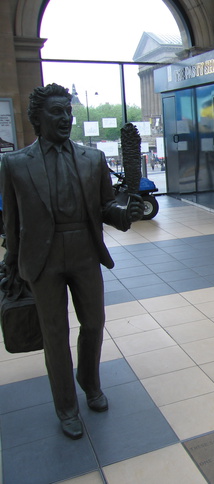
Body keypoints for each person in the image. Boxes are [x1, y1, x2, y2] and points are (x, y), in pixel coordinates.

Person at [0, 83, 143, 440]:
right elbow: (12, 222)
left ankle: (89, 381)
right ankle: (66, 406)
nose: (65, 118)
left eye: (68, 111)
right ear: (38, 118)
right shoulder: (15, 164)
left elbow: (105, 207)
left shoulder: (91, 158)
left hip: (84, 251)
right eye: (56, 112)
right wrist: (12, 265)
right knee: (55, 335)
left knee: (93, 323)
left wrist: (126, 213)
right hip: (42, 259)